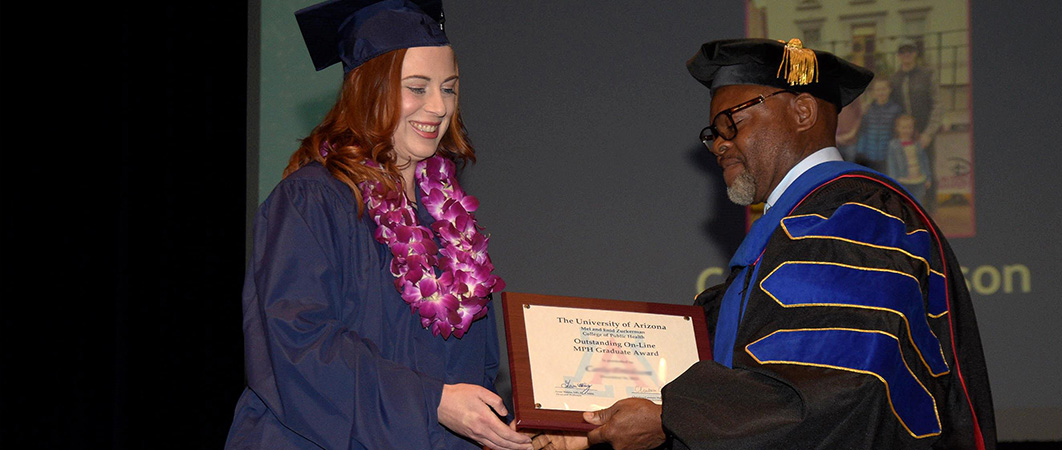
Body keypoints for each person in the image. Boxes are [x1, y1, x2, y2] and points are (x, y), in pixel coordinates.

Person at [536, 38, 995, 450]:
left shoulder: (857, 216)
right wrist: (595, 420)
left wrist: (672, 417)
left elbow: (840, 386)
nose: (718, 145)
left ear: (802, 112)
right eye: (712, 133)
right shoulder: (795, 227)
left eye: (730, 122)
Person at [224, 1, 531, 449]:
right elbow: (298, 347)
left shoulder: (452, 224)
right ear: (368, 89)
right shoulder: (313, 202)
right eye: (417, 87)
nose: (438, 106)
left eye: (449, 88)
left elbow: (474, 371)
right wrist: (432, 403)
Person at [890, 39, 945, 208]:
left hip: (923, 131)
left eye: (910, 51)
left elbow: (938, 104)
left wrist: (929, 132)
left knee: (927, 166)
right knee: (904, 168)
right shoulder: (895, 78)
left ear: (915, 54)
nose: (906, 55)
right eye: (903, 52)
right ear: (899, 56)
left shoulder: (928, 74)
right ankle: (910, 206)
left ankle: (931, 207)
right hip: (903, 133)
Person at [849, 78, 904, 171]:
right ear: (873, 92)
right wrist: (860, 153)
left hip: (887, 156)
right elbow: (863, 131)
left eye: (884, 89)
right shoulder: (868, 109)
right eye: (878, 89)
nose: (881, 92)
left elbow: (897, 133)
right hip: (869, 154)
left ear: (889, 90)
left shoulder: (896, 110)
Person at [888, 114, 934, 205]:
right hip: (903, 181)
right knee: (904, 203)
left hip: (919, 180)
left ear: (913, 129)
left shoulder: (917, 144)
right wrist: (893, 181)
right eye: (903, 127)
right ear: (897, 128)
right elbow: (891, 164)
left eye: (909, 127)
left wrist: (928, 177)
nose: (906, 130)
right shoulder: (893, 145)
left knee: (917, 203)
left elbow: (924, 161)